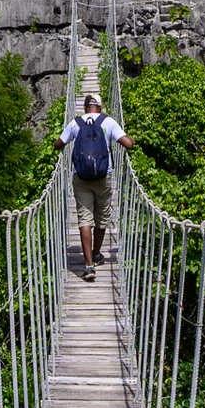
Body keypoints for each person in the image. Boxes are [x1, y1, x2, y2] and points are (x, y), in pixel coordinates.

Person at [54, 93, 134, 280]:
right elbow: (128, 144)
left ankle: (89, 266)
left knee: (84, 219)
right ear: (100, 106)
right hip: (103, 178)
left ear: (86, 106)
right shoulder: (108, 122)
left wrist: (57, 145)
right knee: (102, 218)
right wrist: (132, 140)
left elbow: (59, 144)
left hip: (80, 177)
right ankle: (96, 253)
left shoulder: (75, 123)